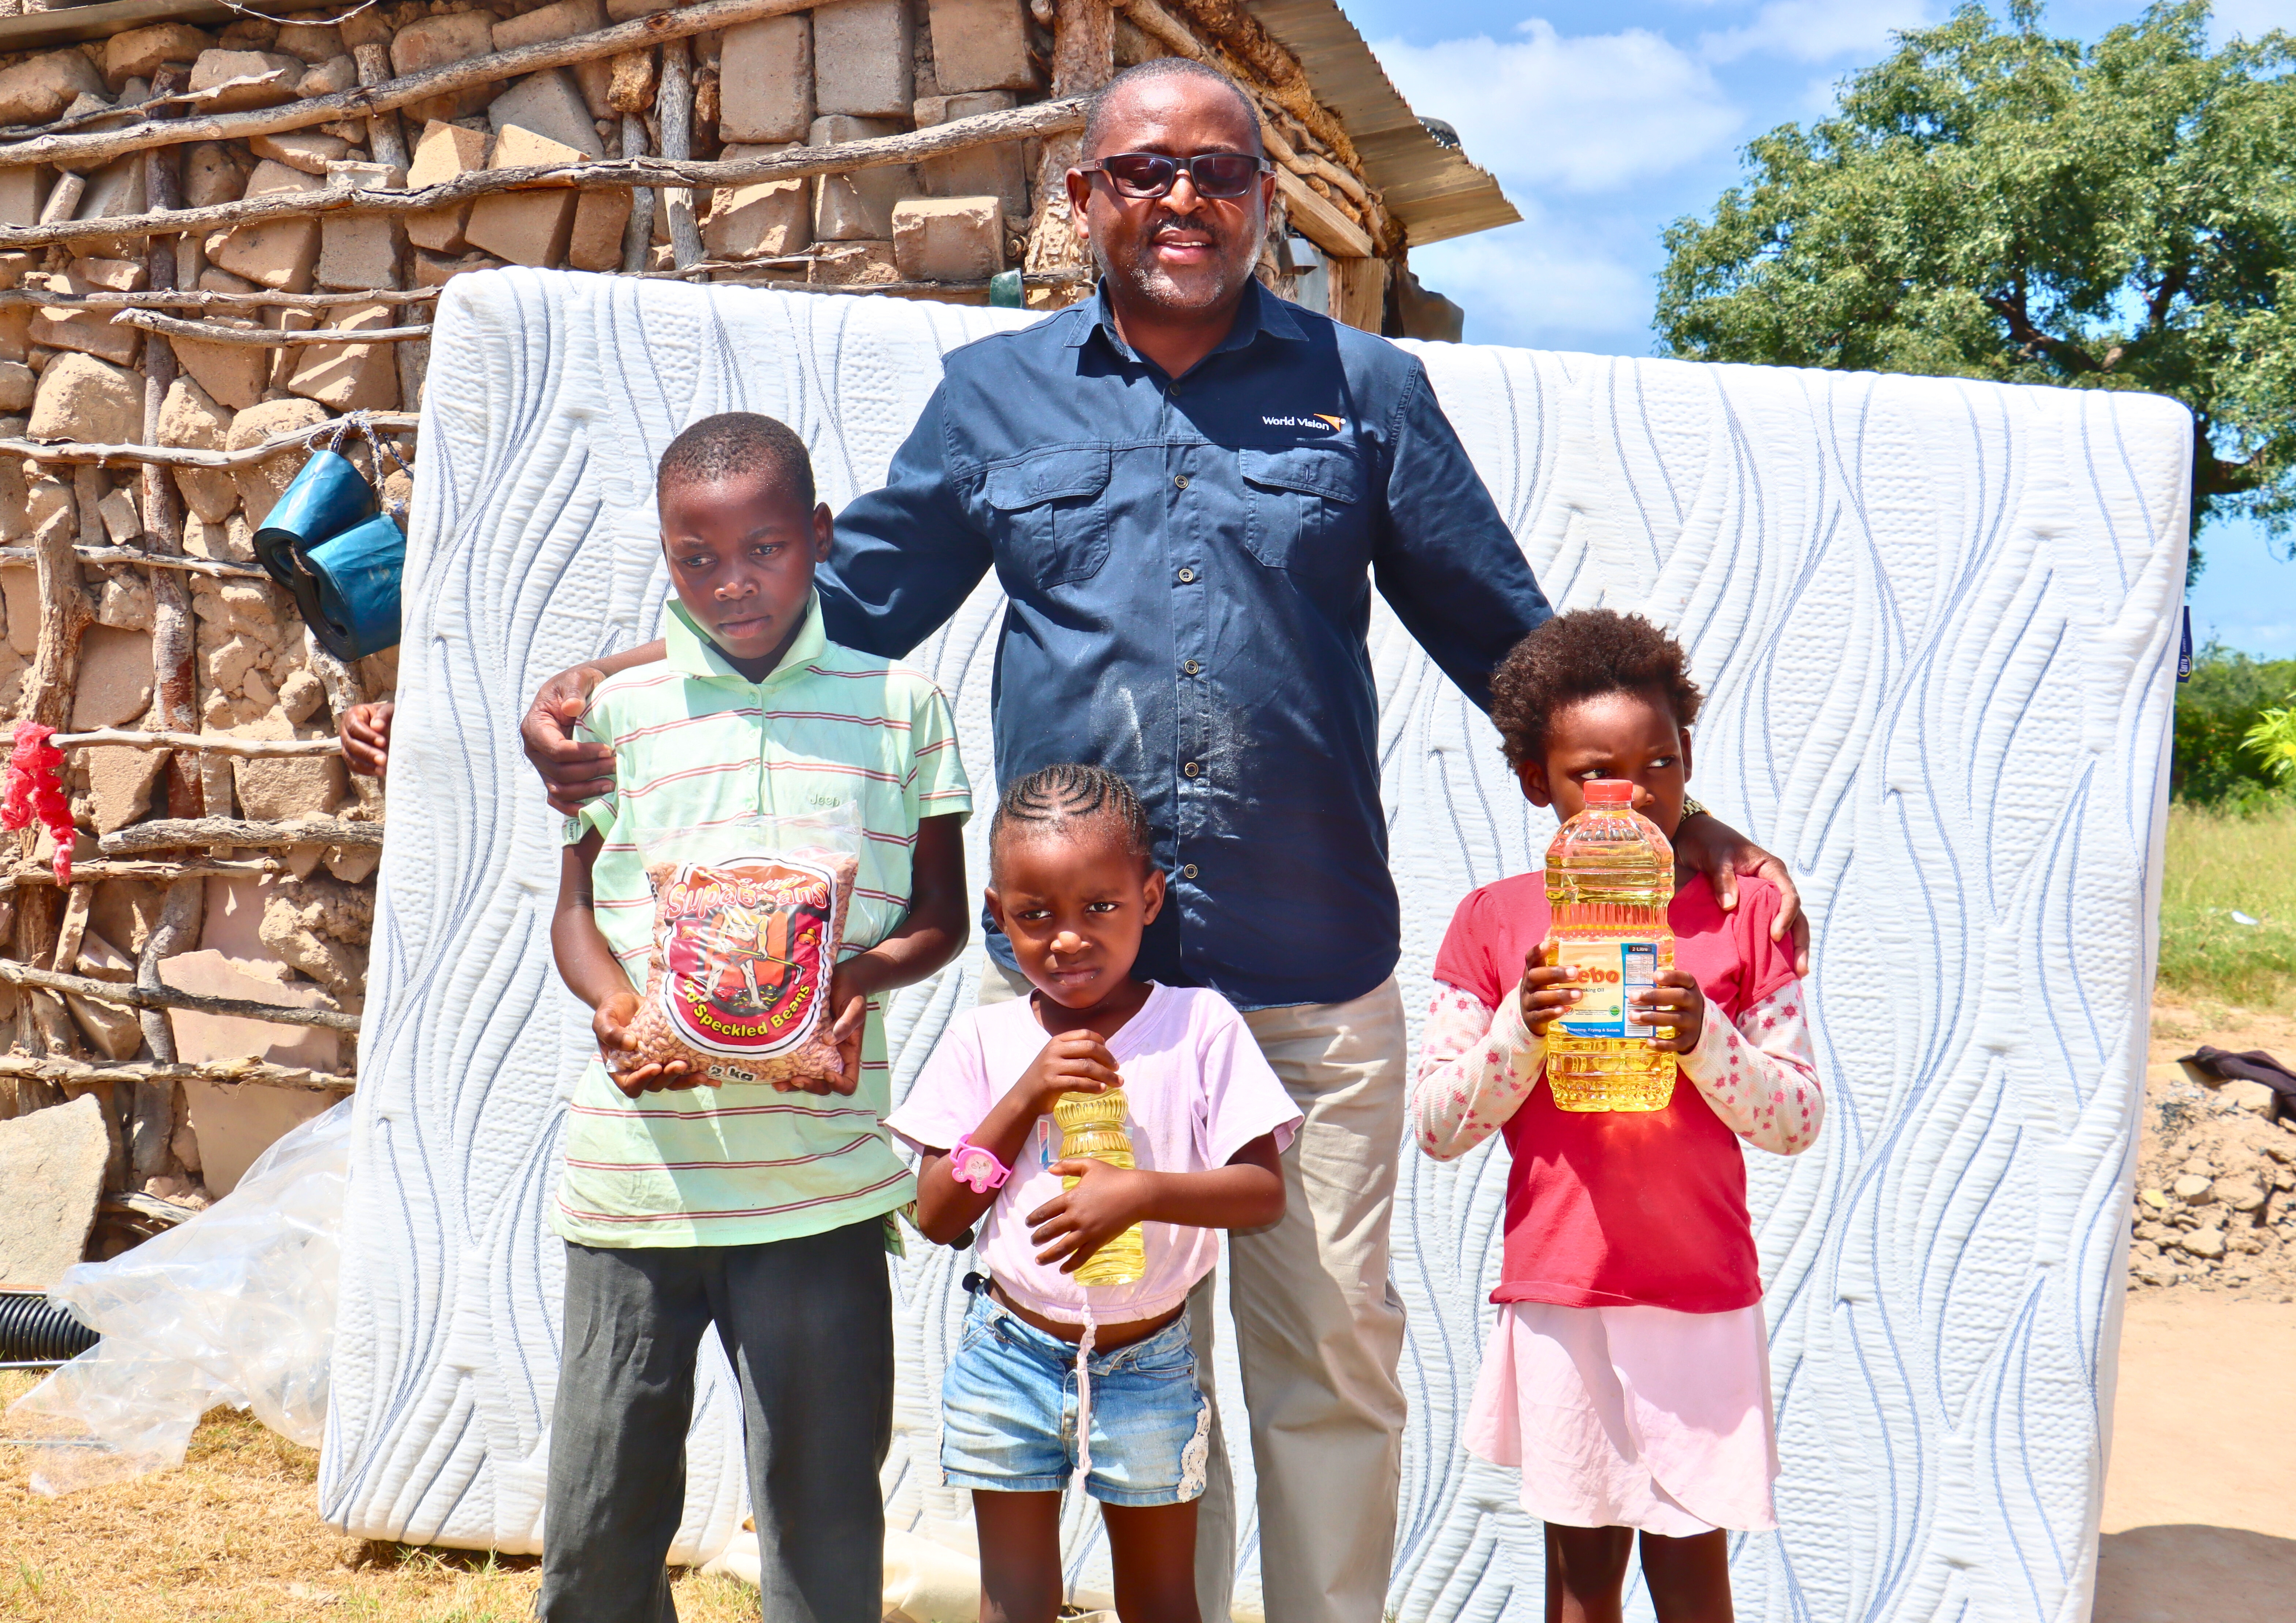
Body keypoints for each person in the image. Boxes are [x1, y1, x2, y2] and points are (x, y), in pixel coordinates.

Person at [509, 57, 1809, 1623]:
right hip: (1073, 1008)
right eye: (1140, 172)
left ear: (1265, 202)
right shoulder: (993, 400)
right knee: (1097, 1361)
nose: (1179, 198)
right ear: (1081, 201)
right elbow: (824, 626)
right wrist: (606, 690)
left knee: (1327, 1366)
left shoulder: (1363, 392)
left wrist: (1685, 823)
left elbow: (1515, 653)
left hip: (1307, 979)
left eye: (1216, 171)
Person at [540, 412, 972, 1623]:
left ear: (822, 540)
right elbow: (576, 916)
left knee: (825, 1514)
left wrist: (854, 981)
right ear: (667, 558)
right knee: (598, 1518)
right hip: (639, 1182)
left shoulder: (903, 711)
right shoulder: (618, 715)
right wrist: (623, 1010)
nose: (734, 584)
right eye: (699, 558)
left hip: (818, 1187)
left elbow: (942, 916)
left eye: (768, 549)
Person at [1412, 609, 1824, 1623]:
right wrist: (1523, 1028)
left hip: (1699, 1292)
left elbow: (1796, 1117)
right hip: (1566, 1289)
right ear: (1533, 780)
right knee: (1582, 1578)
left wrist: (1704, 1039)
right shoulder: (1494, 921)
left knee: (1691, 1575)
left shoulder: (1744, 913)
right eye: (1594, 769)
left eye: (1659, 763)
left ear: (1688, 765)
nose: (1632, 792)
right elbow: (1437, 1122)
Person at [888, 763, 1299, 1623]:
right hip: (1008, 1352)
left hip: (1147, 1360)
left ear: (1149, 897)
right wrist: (1022, 1098)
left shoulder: (1197, 1026)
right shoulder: (985, 1040)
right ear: (997, 914)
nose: (1067, 939)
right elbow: (936, 1214)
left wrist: (1139, 1192)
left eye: (1099, 908)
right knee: (1016, 1600)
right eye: (1034, 915)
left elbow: (1261, 1192)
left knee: (1158, 1599)